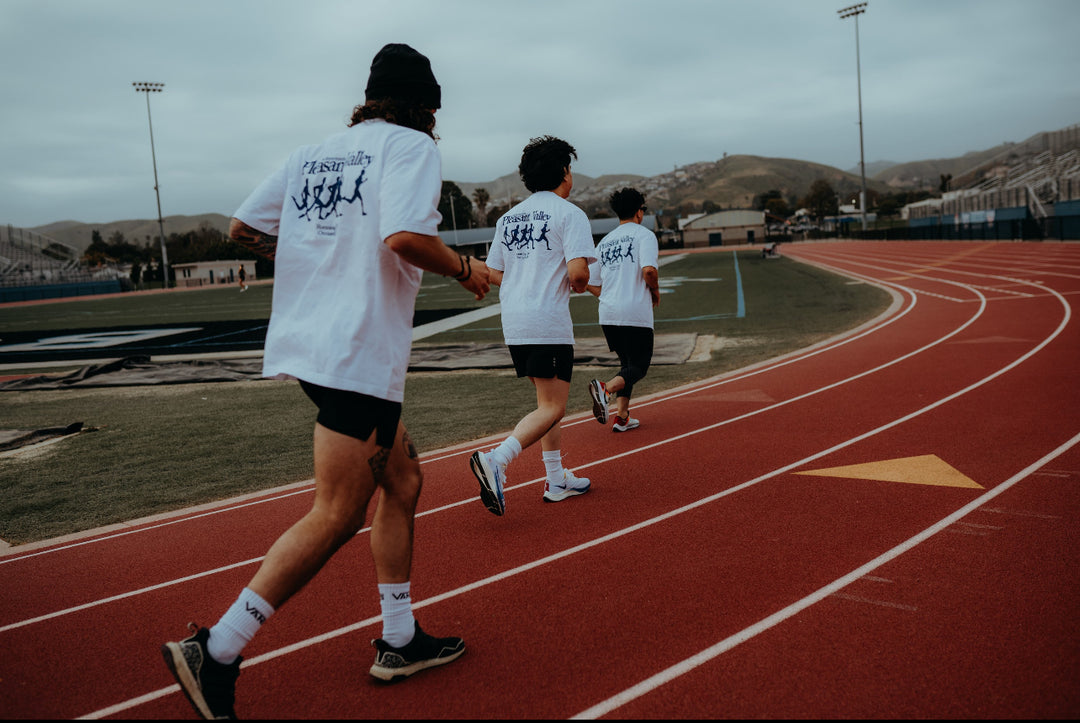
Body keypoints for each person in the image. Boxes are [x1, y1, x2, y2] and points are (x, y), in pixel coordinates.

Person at [160, 43, 490, 720]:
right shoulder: (413, 148)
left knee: (401, 480)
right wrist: (465, 269)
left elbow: (243, 227)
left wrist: (319, 253)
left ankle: (400, 637)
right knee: (338, 513)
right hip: (356, 349)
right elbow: (403, 237)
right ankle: (217, 647)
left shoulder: (313, 153)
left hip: (314, 344)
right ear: (427, 106)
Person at [468, 135, 597, 515]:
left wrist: (526, 284)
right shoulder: (569, 214)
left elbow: (494, 272)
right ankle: (496, 460)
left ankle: (556, 479)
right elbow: (577, 273)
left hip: (516, 321)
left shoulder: (508, 218)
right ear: (564, 172)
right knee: (553, 407)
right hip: (547, 321)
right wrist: (580, 283)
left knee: (546, 404)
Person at [585, 187, 660, 432]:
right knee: (639, 366)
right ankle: (604, 389)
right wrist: (656, 292)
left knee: (627, 365)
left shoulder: (605, 242)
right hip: (634, 313)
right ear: (639, 212)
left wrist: (607, 296)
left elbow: (590, 282)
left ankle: (622, 416)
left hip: (608, 313)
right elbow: (649, 270)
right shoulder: (644, 235)